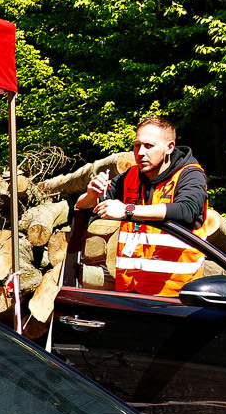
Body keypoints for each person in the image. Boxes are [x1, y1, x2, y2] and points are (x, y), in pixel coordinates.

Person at [89, 116, 212, 298]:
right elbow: (88, 206)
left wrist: (128, 210)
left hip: (176, 297)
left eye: (149, 146)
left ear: (169, 147)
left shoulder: (190, 174)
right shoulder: (131, 175)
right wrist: (92, 194)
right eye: (137, 145)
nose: (140, 152)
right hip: (130, 293)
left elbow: (187, 211)